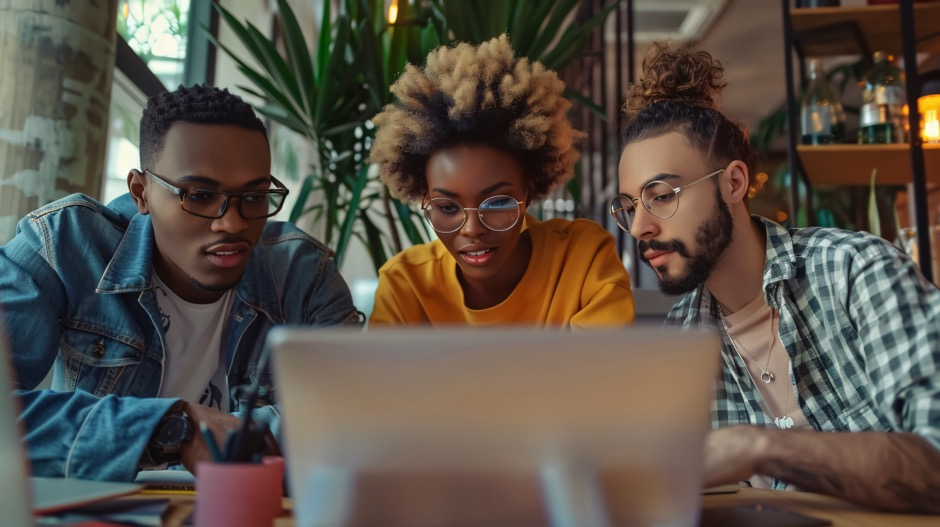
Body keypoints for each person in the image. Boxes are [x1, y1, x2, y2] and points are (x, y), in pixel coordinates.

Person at [612, 42, 940, 512]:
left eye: (660, 195)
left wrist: (757, 447)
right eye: (628, 206)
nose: (640, 226)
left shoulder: (855, 272)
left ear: (734, 183)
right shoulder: (683, 335)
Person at [0, 84, 362, 481]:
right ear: (141, 192)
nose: (233, 222)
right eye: (200, 195)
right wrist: (170, 428)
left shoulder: (302, 274)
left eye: (255, 196)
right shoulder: (65, 245)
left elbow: (359, 417)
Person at [367, 35, 635, 328]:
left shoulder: (582, 258)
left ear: (528, 194)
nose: (472, 230)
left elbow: (604, 371)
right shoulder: (405, 285)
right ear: (425, 198)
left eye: (496, 202)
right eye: (447, 207)